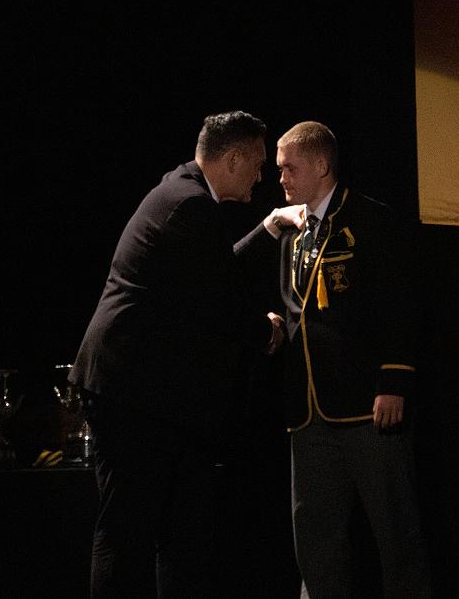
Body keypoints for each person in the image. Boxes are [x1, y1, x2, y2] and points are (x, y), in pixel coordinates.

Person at [68, 110, 304, 597]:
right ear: (233, 159)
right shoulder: (189, 205)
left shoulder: (181, 194)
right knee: (127, 533)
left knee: (182, 534)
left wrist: (269, 227)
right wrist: (266, 332)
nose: (261, 176)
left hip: (159, 399)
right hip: (132, 394)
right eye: (258, 164)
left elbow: (213, 271)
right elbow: (220, 299)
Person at [237, 121, 431, 597]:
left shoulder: (370, 219)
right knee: (315, 540)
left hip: (367, 407)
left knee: (396, 535)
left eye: (289, 168)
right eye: (279, 169)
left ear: (322, 165)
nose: (280, 179)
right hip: (308, 412)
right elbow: (278, 298)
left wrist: (394, 382)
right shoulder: (291, 231)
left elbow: (400, 305)